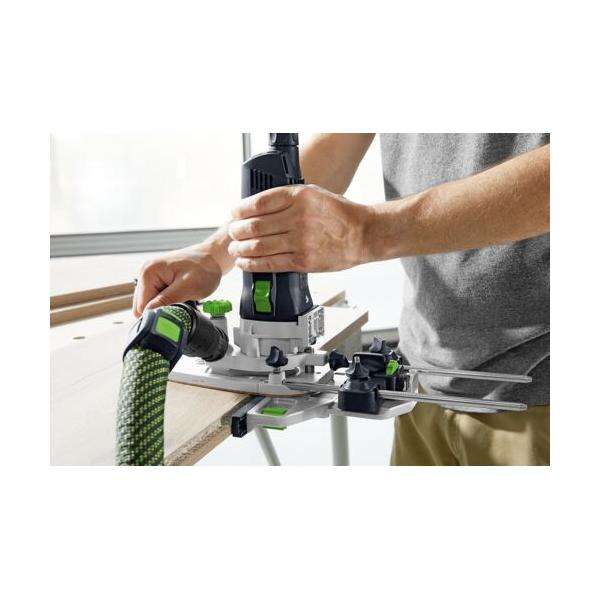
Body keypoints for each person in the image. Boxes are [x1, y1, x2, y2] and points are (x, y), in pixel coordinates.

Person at [134, 133, 550, 466]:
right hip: (425, 376)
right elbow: (339, 139)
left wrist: (366, 233)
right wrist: (214, 253)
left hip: (541, 391)